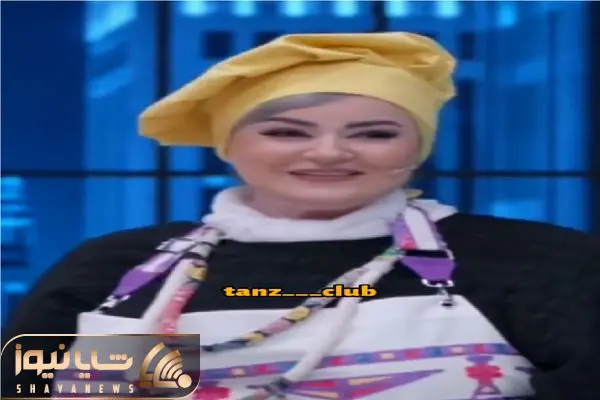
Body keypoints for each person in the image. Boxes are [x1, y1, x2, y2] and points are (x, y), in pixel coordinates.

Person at [2, 32, 600, 400]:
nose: (328, 154)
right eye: (286, 132)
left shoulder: (537, 262)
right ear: (227, 145)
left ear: (418, 148)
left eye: (374, 133)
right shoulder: (114, 266)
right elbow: (22, 392)